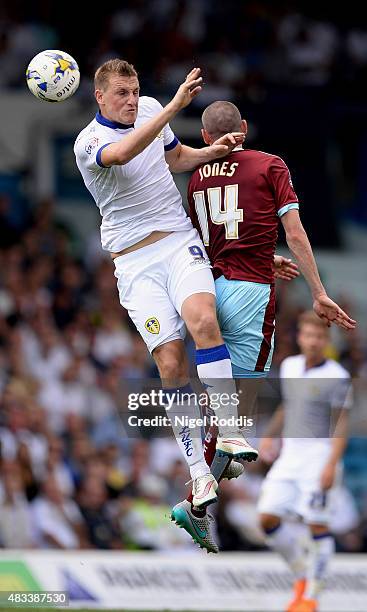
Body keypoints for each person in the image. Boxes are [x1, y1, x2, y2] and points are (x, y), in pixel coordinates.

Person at [170, 101, 356, 553]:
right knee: (241, 407)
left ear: (206, 138)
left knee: (222, 402)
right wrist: (318, 291)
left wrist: (255, 255)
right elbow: (294, 233)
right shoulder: (270, 165)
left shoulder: (195, 176)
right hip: (252, 293)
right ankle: (194, 503)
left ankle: (198, 493)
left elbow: (211, 239)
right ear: (244, 129)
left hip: (209, 289)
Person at [74, 61, 256, 513]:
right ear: (100, 97)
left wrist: (213, 152)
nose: (132, 100)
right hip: (135, 264)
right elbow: (124, 154)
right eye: (121, 93)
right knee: (171, 364)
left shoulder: (152, 111)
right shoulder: (89, 143)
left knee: (203, 320)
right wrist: (174, 106)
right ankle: (197, 474)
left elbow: (174, 158)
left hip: (177, 243)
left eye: (135, 90)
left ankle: (231, 431)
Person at [258, 311, 351, 612]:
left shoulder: (337, 376)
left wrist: (331, 464)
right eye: (308, 335)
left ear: (326, 341)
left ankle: (310, 598)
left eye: (319, 337)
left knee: (317, 525)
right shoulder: (290, 366)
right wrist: (270, 435)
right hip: (290, 458)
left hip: (319, 458)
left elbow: (341, 424)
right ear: (300, 337)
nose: (313, 341)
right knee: (266, 518)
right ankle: (301, 575)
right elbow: (289, 405)